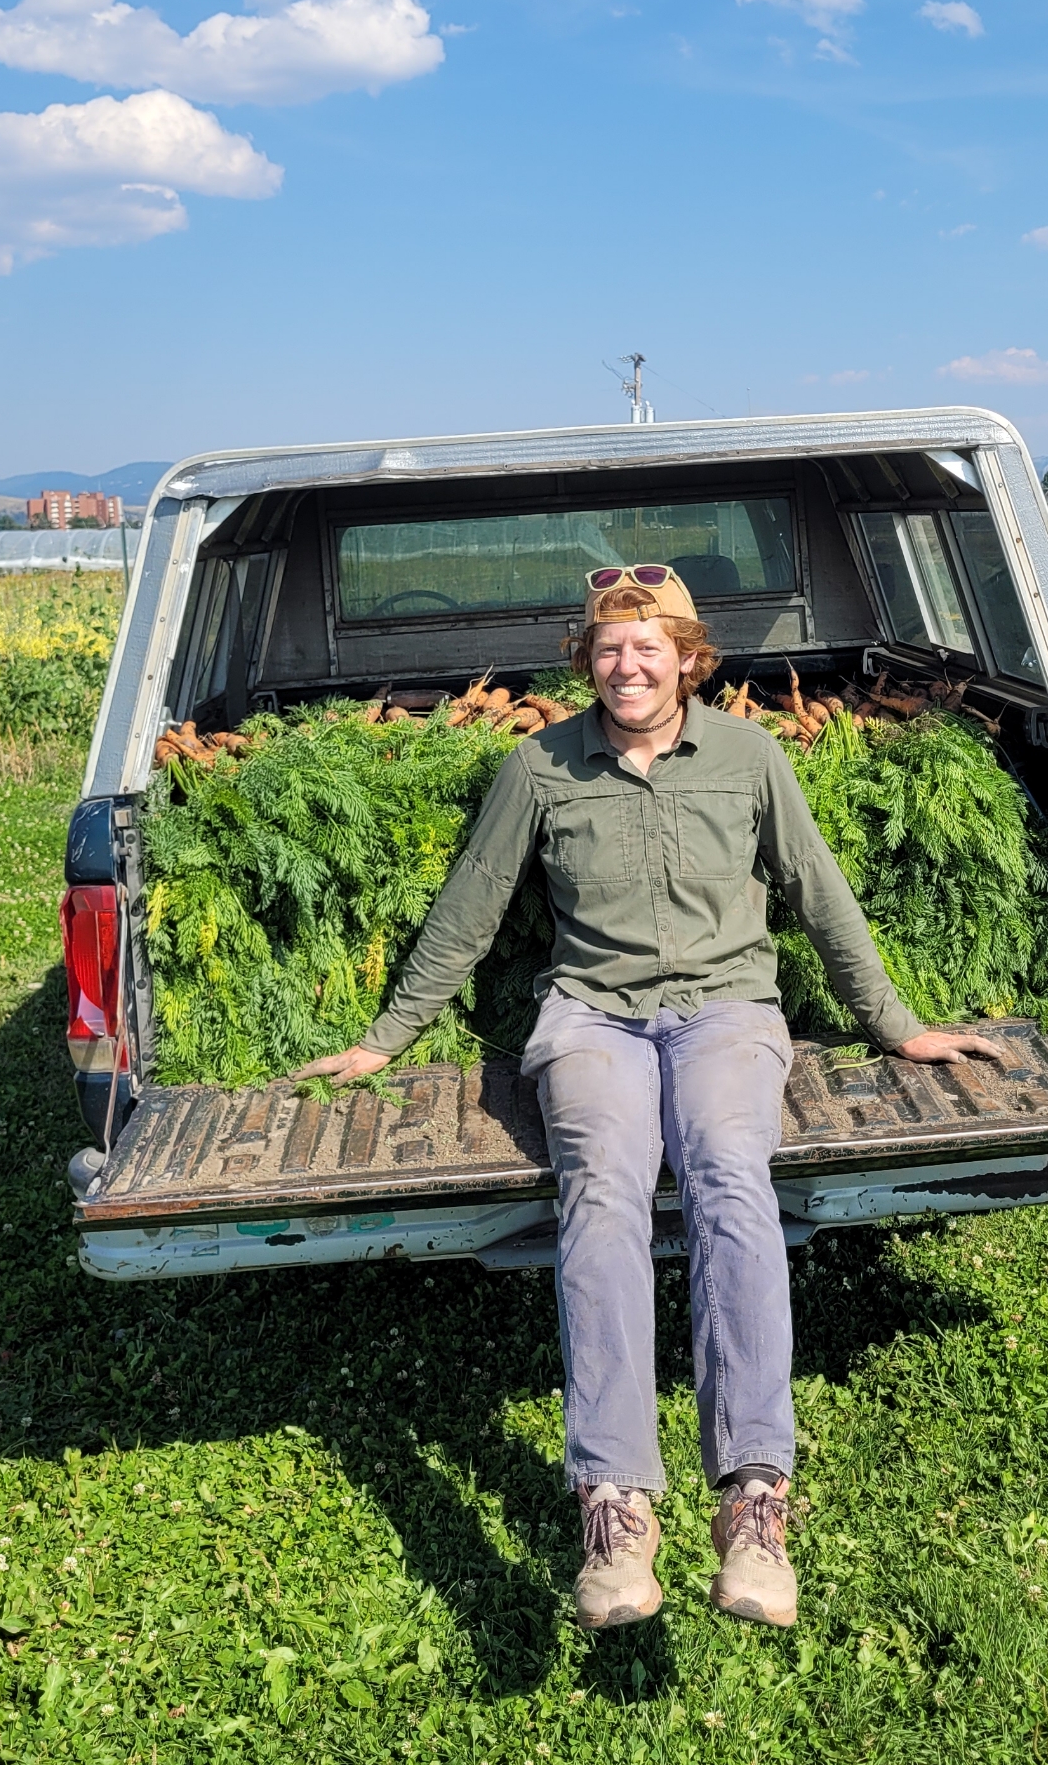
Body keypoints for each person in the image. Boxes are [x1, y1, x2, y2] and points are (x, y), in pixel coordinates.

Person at [303, 563, 998, 1631]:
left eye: (648, 645)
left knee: (730, 1175)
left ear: (687, 657)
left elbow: (818, 890)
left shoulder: (747, 756)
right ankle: (616, 1503)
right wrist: (381, 1037)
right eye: (607, 647)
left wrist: (894, 1025)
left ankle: (755, 1499)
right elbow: (472, 905)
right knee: (603, 1190)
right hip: (592, 1015)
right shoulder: (540, 766)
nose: (627, 664)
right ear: (587, 661)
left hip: (726, 1009)